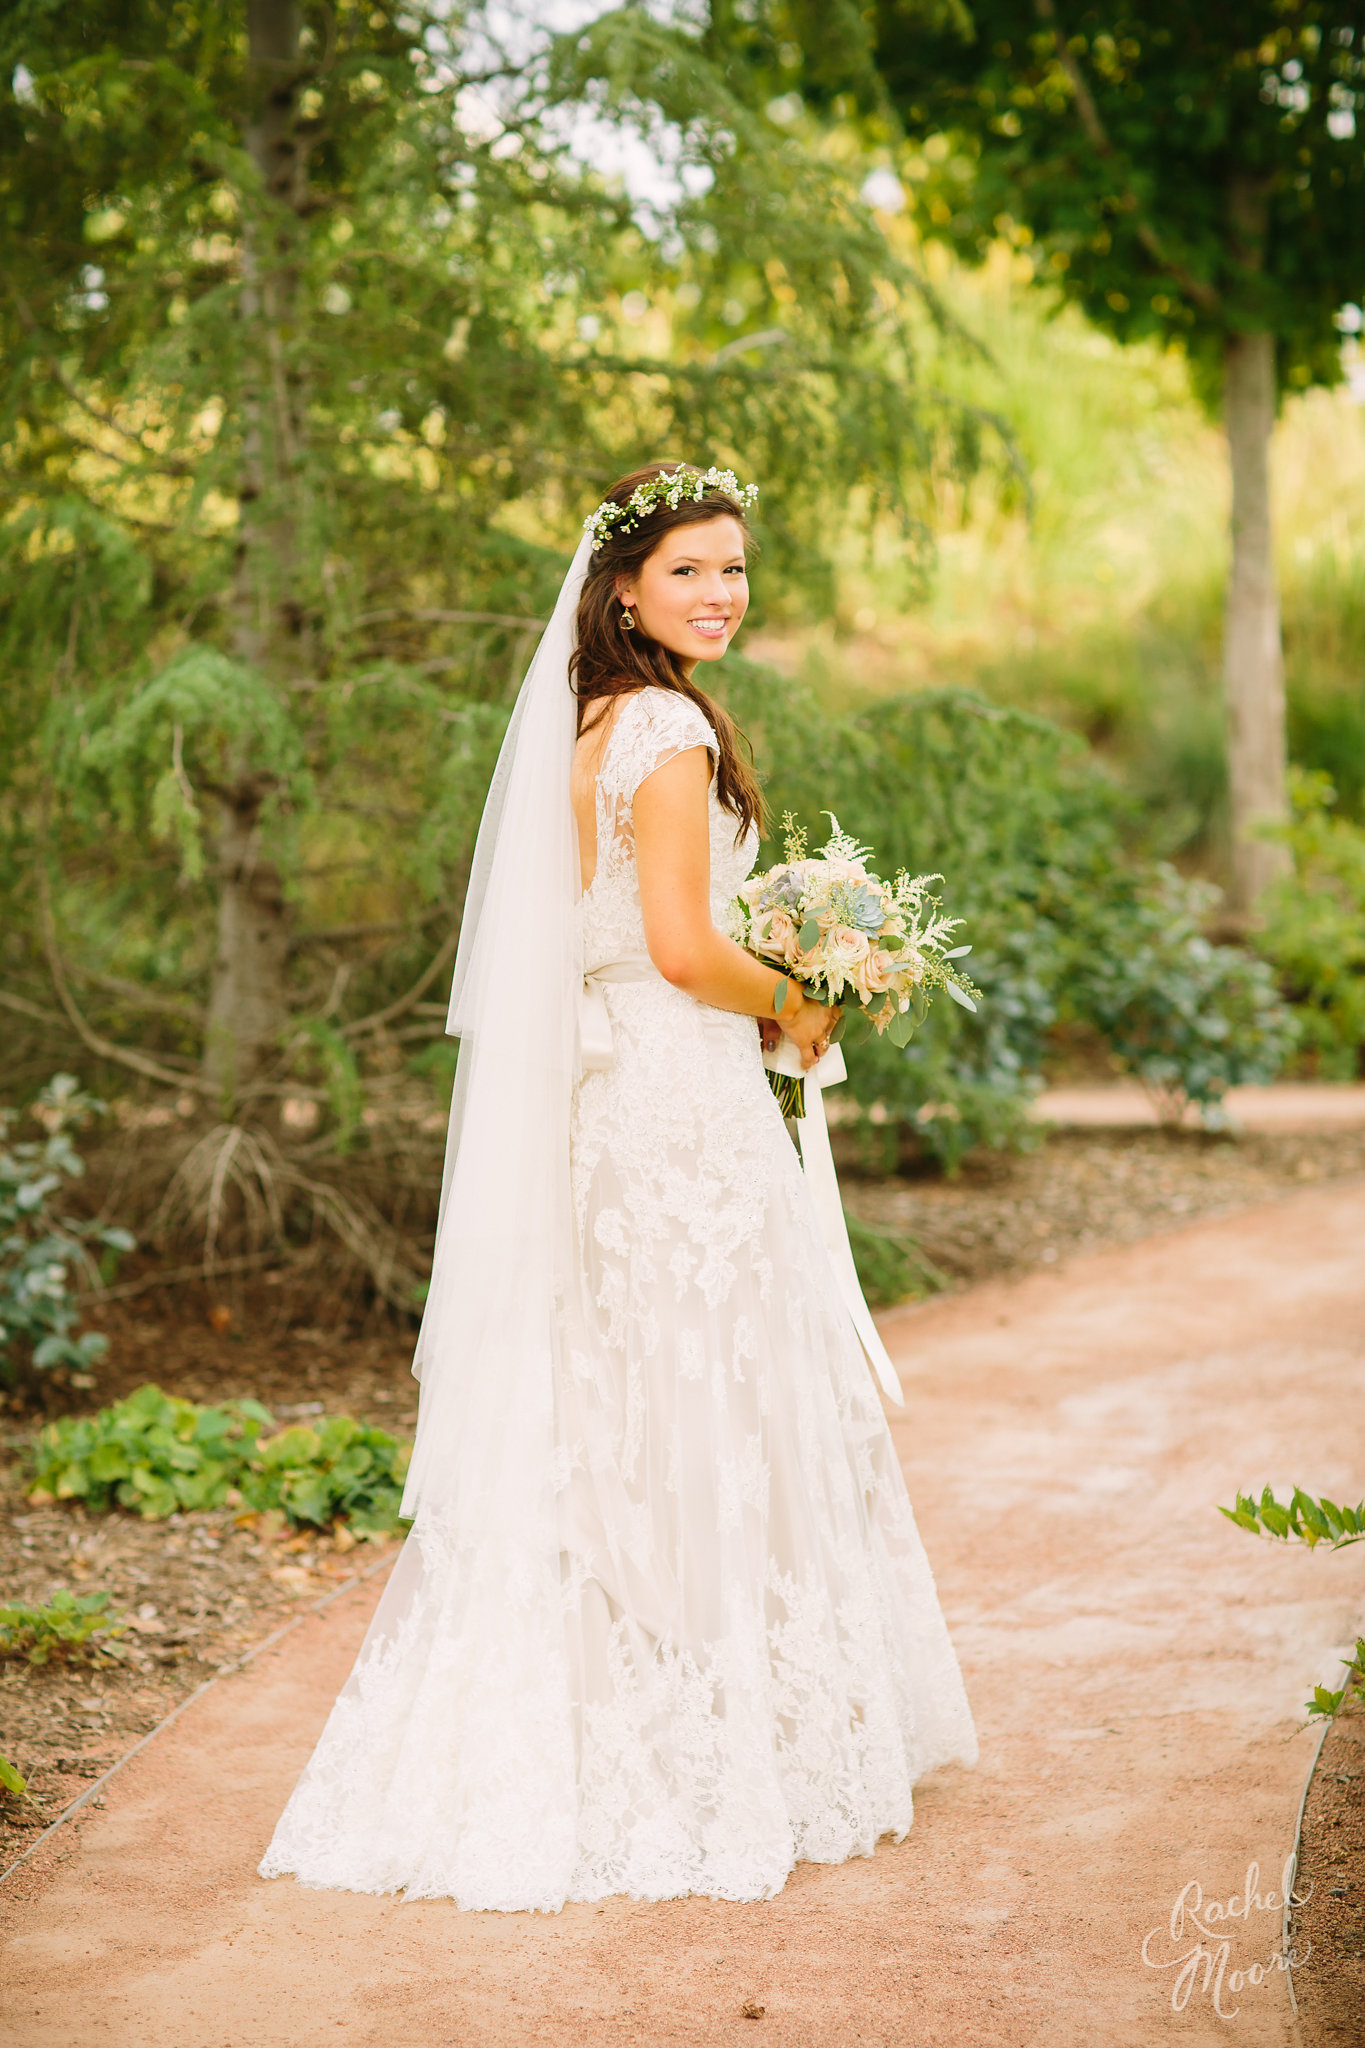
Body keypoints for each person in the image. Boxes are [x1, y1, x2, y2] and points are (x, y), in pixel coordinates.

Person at [259, 463, 977, 1912]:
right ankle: (715, 1745)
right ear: (625, 587)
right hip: (676, 1105)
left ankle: (632, 1715)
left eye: (735, 570)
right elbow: (675, 946)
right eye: (692, 570)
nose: (721, 594)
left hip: (614, 1111)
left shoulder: (584, 720)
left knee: (618, 1406)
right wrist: (800, 996)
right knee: (708, 1397)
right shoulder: (665, 730)